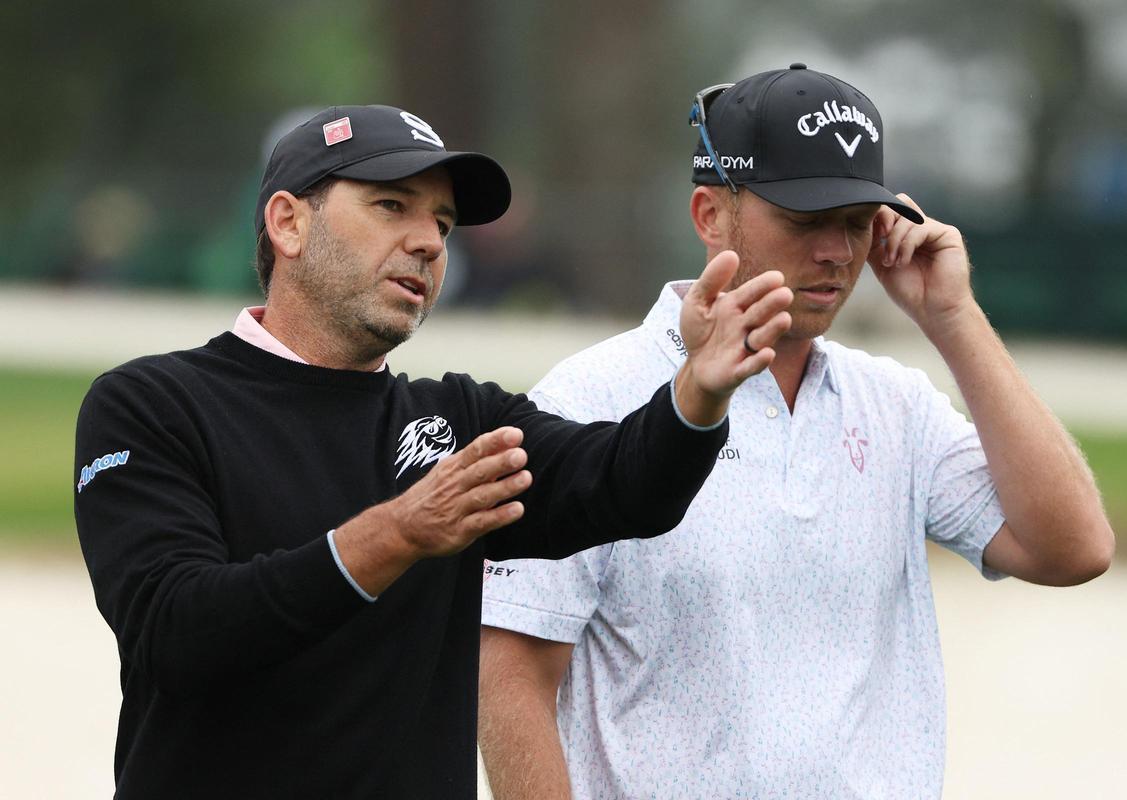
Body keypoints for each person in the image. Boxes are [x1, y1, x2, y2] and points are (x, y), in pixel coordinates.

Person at [73, 104, 796, 799]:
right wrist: (397, 534)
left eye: (443, 223)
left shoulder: (460, 417)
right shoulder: (150, 405)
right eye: (393, 206)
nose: (428, 242)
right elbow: (176, 632)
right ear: (288, 223)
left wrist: (696, 394)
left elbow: (621, 486)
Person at [478, 65, 1115, 800]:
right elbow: (511, 673)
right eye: (806, 220)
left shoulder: (894, 405)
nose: (838, 253)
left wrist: (952, 317)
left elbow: (1072, 548)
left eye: (856, 222)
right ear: (710, 214)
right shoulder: (589, 398)